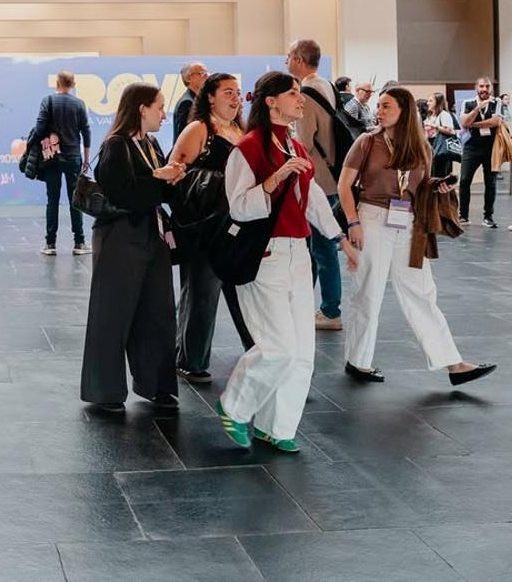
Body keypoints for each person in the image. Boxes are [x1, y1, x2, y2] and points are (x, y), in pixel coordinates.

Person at [215, 72, 358, 454]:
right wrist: (273, 179)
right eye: (292, 94)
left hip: (299, 253)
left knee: (302, 353)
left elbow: (310, 199)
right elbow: (239, 207)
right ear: (270, 102)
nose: (301, 99)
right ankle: (234, 406)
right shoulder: (247, 148)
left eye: (300, 93)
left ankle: (276, 426)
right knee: (278, 347)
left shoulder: (295, 144)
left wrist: (340, 238)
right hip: (266, 256)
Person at [339, 87, 497, 388]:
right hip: (371, 218)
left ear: (404, 110)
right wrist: (353, 222)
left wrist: (437, 186)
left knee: (421, 292)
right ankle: (358, 361)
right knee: (368, 293)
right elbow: (344, 185)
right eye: (379, 106)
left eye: (386, 106)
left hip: (409, 222)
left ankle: (454, 363)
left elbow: (420, 184)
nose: (379, 111)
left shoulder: (420, 145)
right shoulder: (367, 142)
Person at [80, 83, 185, 411]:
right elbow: (124, 194)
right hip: (120, 237)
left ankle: (157, 385)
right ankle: (105, 391)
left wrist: (172, 179)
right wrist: (160, 179)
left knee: (158, 312)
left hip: (150, 236)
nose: (163, 114)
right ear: (141, 108)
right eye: (159, 107)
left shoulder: (150, 144)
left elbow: (154, 193)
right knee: (112, 315)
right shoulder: (116, 146)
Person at [168, 72, 254, 383]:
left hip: (240, 225)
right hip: (207, 227)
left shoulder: (242, 130)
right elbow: (175, 175)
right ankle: (190, 360)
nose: (235, 97)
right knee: (203, 293)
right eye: (228, 92)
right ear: (210, 97)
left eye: (237, 92)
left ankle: (261, 353)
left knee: (246, 292)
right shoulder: (198, 129)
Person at [286, 39, 344, 331]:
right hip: (333, 174)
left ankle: (331, 310)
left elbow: (304, 142)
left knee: (322, 248)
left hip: (319, 178)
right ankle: (316, 305)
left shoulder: (306, 94)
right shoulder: (328, 86)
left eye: (288, 56)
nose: (286, 62)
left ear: (298, 58)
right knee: (320, 247)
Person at [33, 70, 92, 256]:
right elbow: (86, 132)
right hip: (73, 157)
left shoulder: (48, 101)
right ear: (73, 84)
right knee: (76, 200)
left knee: (52, 200)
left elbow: (40, 128)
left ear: (57, 83)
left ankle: (50, 244)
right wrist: (86, 158)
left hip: (52, 157)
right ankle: (79, 242)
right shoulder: (79, 104)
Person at [458, 77, 505, 228]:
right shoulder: (468, 103)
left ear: (491, 88)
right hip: (471, 148)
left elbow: (495, 122)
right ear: (476, 87)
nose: (484, 89)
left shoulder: (497, 102)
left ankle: (488, 217)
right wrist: (478, 108)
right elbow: (463, 122)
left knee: (490, 183)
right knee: (464, 180)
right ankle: (463, 216)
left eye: (487, 86)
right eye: (481, 86)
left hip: (491, 148)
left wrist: (473, 124)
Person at [424, 93, 458, 181]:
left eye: (431, 101)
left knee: (440, 177)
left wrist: (435, 126)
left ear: (437, 102)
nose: (428, 103)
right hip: (432, 147)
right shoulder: (430, 116)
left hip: (441, 148)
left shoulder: (444, 115)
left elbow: (451, 131)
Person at [173, 61, 209, 140]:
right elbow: (184, 136)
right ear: (188, 78)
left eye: (207, 72)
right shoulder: (187, 103)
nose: (207, 76)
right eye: (202, 73)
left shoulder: (198, 100)